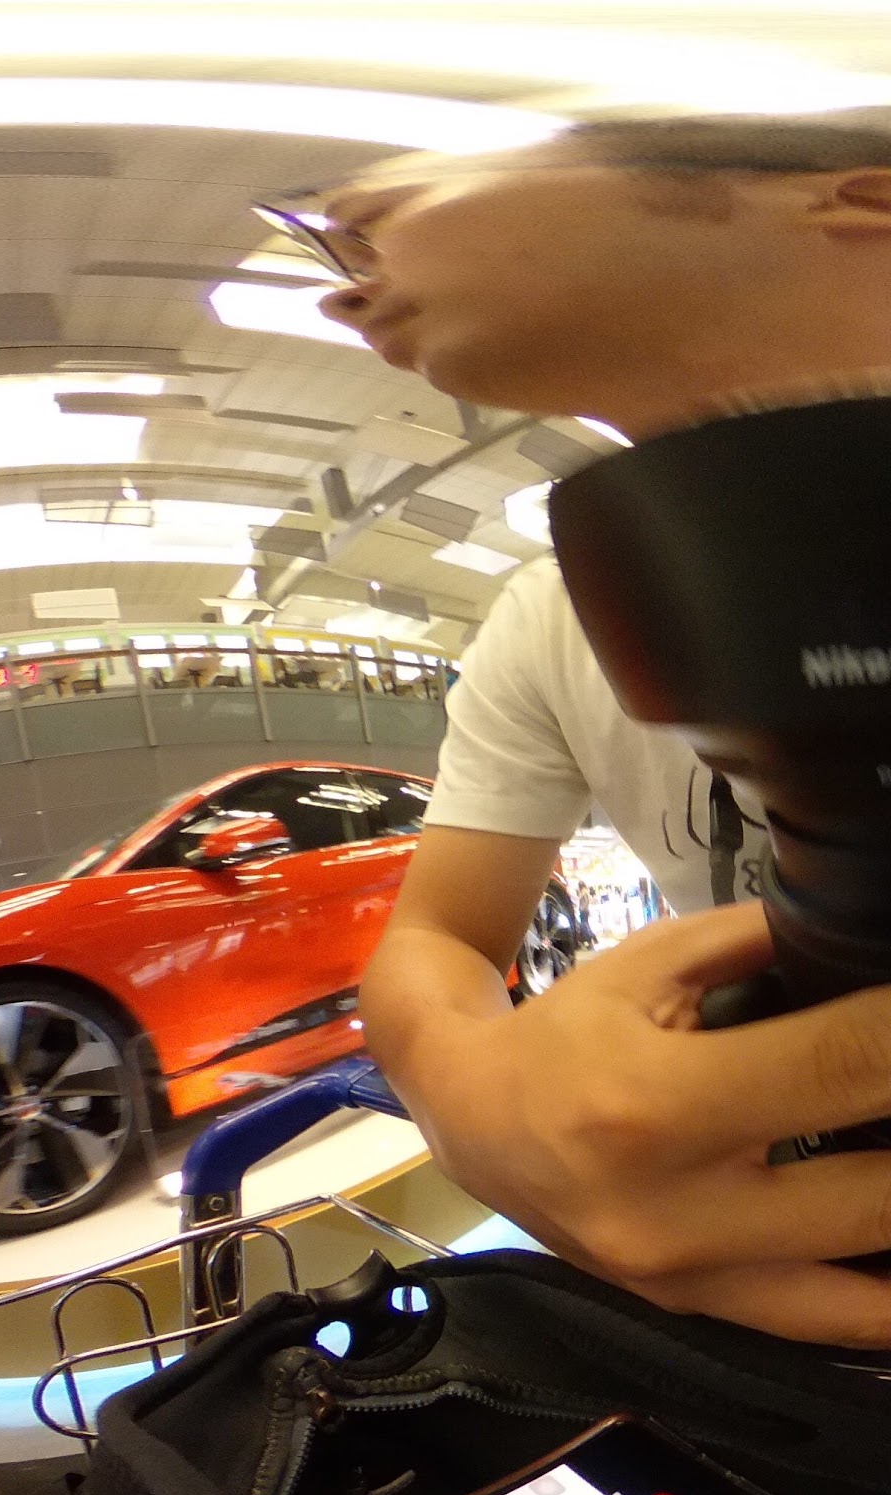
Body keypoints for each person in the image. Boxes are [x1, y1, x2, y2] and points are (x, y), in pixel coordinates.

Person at [328, 112, 891, 1346]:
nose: (342, 266)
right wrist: (481, 1101)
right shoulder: (551, 616)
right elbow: (438, 934)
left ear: (858, 200)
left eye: (411, 183)